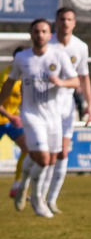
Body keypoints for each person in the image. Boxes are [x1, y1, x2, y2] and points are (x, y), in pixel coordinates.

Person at [0, 18, 79, 218]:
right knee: (43, 159)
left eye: (44, 31)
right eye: (36, 31)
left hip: (53, 115)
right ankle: (36, 198)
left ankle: (22, 184)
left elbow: (75, 80)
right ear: (31, 34)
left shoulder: (58, 55)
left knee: (51, 159)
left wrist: (61, 82)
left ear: (49, 34)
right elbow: (10, 83)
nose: (40, 35)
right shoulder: (22, 58)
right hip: (30, 114)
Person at [48, 7, 91, 215]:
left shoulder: (81, 47)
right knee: (45, 153)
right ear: (56, 22)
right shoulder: (46, 44)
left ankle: (50, 200)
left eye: (69, 19)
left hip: (66, 105)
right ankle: (32, 189)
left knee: (63, 152)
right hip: (45, 105)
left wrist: (89, 104)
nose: (65, 22)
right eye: (62, 19)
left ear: (74, 23)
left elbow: (83, 77)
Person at [0, 46, 28, 200]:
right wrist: (11, 116)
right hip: (4, 119)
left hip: (12, 122)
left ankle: (17, 185)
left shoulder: (27, 77)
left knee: (28, 148)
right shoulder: (5, 77)